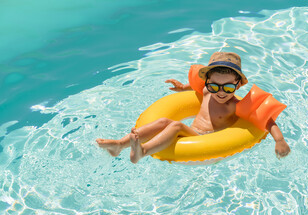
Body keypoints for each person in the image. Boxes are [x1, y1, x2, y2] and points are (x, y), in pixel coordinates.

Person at [96, 52, 290, 163]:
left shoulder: (235, 106)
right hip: (194, 130)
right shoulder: (206, 92)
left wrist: (279, 140)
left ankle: (143, 151)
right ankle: (119, 145)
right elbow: (195, 88)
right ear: (207, 83)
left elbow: (266, 120)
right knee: (164, 121)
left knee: (176, 126)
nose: (221, 92)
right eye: (215, 86)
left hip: (205, 138)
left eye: (228, 87)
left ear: (238, 85)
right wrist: (182, 88)